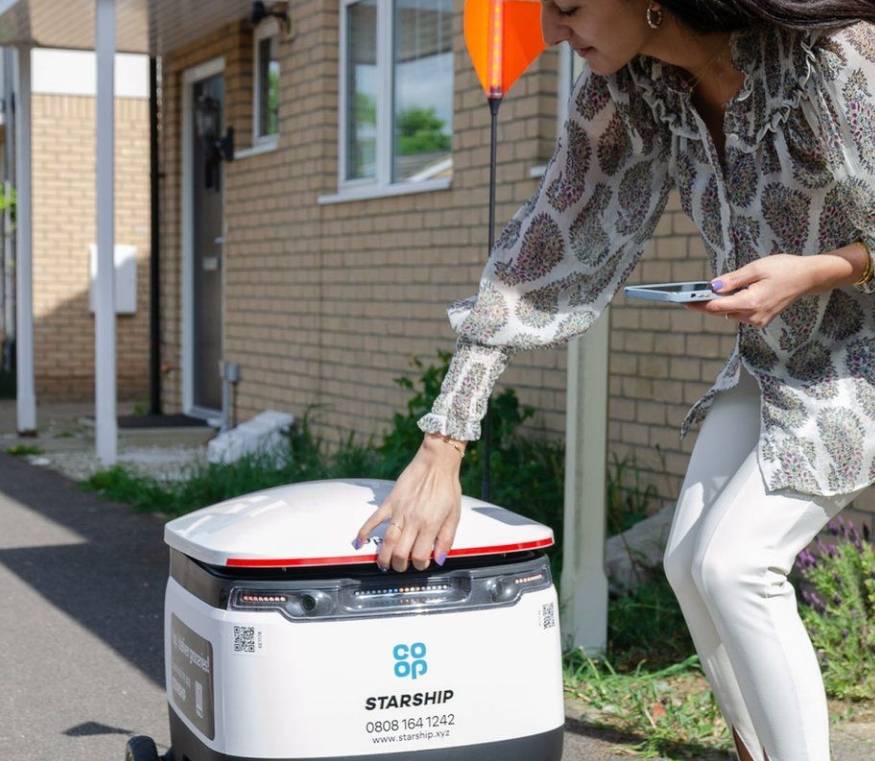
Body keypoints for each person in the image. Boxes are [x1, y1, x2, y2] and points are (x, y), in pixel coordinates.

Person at [352, 2, 875, 759]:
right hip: (774, 360)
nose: (552, 33)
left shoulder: (828, 57)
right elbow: (543, 250)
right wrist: (444, 441)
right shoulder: (632, 90)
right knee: (688, 564)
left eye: (567, 7)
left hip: (859, 354)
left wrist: (819, 269)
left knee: (734, 567)